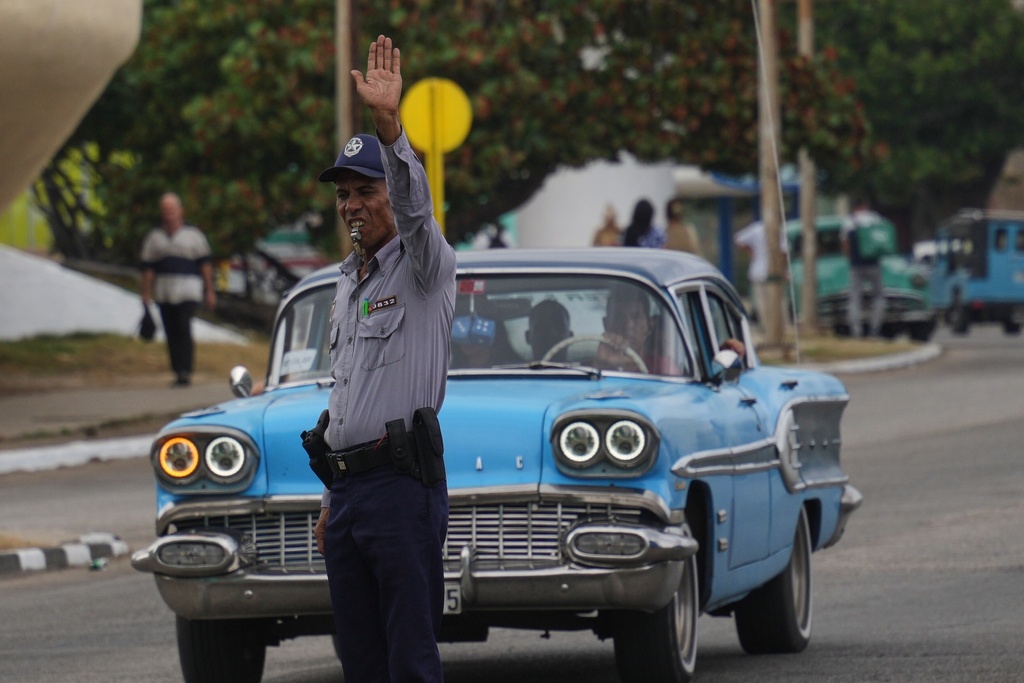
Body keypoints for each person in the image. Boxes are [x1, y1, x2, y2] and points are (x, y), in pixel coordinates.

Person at [312, 35, 457, 683]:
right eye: (344, 193)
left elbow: (415, 207)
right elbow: (348, 390)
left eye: (364, 190)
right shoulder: (346, 281)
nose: (352, 205)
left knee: (409, 657)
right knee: (360, 660)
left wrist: (390, 129)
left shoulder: (426, 266)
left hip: (402, 489)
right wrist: (330, 496)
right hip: (347, 494)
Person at [139, 192, 216, 386]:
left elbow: (205, 265)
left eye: (172, 209)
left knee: (183, 327)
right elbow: (148, 269)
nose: (169, 213)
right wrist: (146, 294)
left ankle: (186, 370)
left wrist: (209, 290)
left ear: (180, 211)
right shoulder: (154, 237)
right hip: (165, 293)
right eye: (165, 210)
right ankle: (177, 370)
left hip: (188, 292)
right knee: (170, 331)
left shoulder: (194, 236)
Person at [596, 284, 679, 375]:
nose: (628, 325)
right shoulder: (586, 370)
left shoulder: (662, 368)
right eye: (619, 318)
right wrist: (602, 365)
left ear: (650, 324)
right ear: (606, 324)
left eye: (636, 317)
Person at [841, 196, 886, 337]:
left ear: (854, 206)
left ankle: (856, 331)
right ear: (866, 205)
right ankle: (874, 329)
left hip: (856, 265)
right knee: (879, 296)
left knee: (855, 298)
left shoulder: (850, 221)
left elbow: (845, 243)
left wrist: (849, 257)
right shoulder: (875, 219)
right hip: (874, 264)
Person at [733, 218, 788, 328]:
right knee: (778, 301)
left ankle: (766, 326)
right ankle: (781, 325)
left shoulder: (756, 229)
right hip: (773, 272)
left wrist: (750, 251)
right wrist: (784, 270)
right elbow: (784, 252)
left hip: (758, 271)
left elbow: (738, 239)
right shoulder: (778, 231)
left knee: (762, 302)